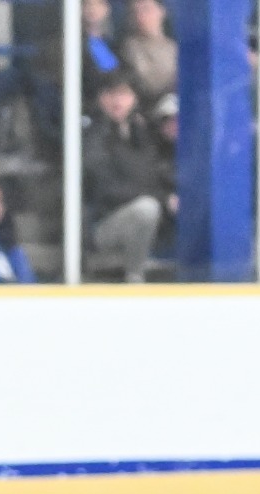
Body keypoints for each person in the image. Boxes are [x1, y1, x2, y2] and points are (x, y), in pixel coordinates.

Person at [83, 70, 172, 283]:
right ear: (100, 98)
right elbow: (105, 189)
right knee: (146, 208)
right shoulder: (93, 134)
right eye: (110, 93)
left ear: (134, 98)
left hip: (133, 214)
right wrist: (161, 198)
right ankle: (134, 275)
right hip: (100, 224)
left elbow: (150, 176)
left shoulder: (140, 133)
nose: (117, 100)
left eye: (123, 94)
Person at [118, 0, 175, 109]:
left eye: (146, 9)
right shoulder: (126, 49)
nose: (140, 16)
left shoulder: (175, 49)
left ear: (161, 11)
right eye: (135, 12)